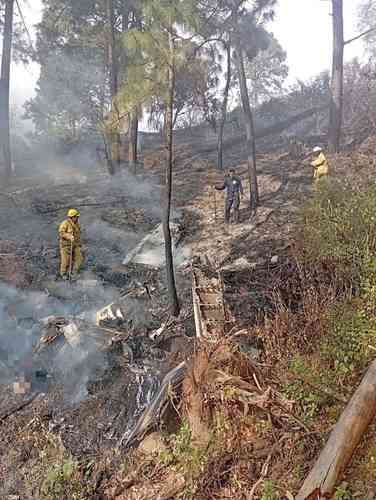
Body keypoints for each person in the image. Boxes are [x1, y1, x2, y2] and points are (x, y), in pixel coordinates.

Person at [58, 208, 83, 280]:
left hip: (75, 245)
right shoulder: (65, 223)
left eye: (77, 217)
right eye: (76, 217)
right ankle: (63, 274)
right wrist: (69, 236)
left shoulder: (77, 224)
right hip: (66, 245)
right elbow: (61, 233)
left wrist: (79, 244)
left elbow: (78, 235)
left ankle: (73, 273)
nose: (77, 218)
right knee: (65, 260)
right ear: (72, 217)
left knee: (79, 258)